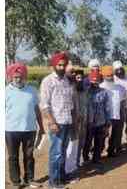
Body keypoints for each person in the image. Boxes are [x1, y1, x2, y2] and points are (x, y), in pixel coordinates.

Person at [40, 52, 76, 189]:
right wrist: (52, 122)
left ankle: (61, 177)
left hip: (67, 121)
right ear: (54, 65)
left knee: (64, 150)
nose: (61, 67)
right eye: (59, 65)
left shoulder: (67, 80)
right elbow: (44, 105)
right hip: (57, 123)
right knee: (56, 153)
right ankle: (53, 182)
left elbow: (70, 102)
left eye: (64, 65)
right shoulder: (48, 81)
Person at [6, 63, 45, 189]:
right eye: (15, 77)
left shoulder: (32, 90)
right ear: (11, 77)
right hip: (10, 130)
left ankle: (29, 179)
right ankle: (16, 182)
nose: (18, 79)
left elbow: (37, 110)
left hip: (29, 130)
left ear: (25, 76)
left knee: (29, 156)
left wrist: (42, 128)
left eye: (20, 76)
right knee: (13, 157)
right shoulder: (5, 92)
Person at [83, 70, 111, 165]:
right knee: (87, 141)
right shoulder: (85, 92)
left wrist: (107, 122)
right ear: (90, 81)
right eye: (93, 81)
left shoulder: (104, 92)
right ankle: (85, 158)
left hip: (101, 121)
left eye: (97, 80)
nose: (95, 82)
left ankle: (97, 158)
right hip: (89, 122)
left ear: (100, 81)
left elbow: (107, 108)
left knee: (99, 141)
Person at [100, 66, 127, 158]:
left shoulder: (120, 88)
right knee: (103, 135)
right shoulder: (101, 87)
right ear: (103, 76)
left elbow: (123, 100)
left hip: (116, 114)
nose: (110, 77)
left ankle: (111, 151)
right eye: (107, 75)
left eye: (111, 75)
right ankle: (98, 153)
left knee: (115, 134)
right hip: (104, 115)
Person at [113, 60, 127, 149]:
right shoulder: (113, 79)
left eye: (121, 69)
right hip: (119, 105)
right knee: (119, 126)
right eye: (117, 70)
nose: (119, 71)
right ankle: (117, 146)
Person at [72, 69, 88, 170]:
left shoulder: (85, 90)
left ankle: (77, 161)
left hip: (84, 120)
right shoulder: (71, 90)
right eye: (77, 78)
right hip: (74, 121)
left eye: (81, 78)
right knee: (74, 143)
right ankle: (72, 164)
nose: (80, 80)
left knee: (82, 142)